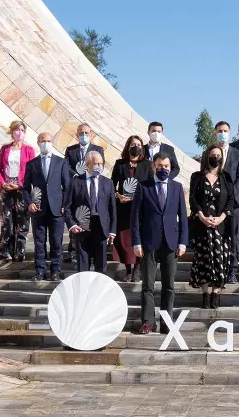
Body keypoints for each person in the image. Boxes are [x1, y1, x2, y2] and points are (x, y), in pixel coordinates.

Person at [131, 152, 188, 335]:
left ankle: (166, 322)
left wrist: (183, 242)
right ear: (153, 167)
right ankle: (148, 321)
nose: (163, 169)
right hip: (148, 242)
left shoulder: (177, 188)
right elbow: (135, 218)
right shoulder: (143, 187)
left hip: (171, 243)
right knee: (148, 285)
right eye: (160, 166)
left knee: (168, 285)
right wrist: (136, 242)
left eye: (167, 167)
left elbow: (183, 217)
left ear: (171, 169)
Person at [188, 145, 234, 308]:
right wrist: (201, 216)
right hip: (202, 225)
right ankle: (205, 295)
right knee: (203, 260)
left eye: (218, 155)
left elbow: (230, 200)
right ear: (207, 156)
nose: (216, 158)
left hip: (220, 227)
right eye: (213, 155)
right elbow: (193, 199)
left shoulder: (226, 177)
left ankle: (215, 294)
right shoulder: (197, 176)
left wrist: (221, 217)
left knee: (219, 260)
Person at [22, 132, 69, 282]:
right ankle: (40, 271)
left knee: (56, 241)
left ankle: (55, 271)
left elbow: (67, 186)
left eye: (48, 141)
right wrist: (29, 203)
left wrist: (65, 205)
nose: (46, 143)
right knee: (39, 242)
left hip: (57, 210)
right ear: (38, 142)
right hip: (38, 210)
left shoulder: (61, 162)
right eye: (43, 141)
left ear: (52, 143)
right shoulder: (32, 164)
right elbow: (25, 188)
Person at [64, 151, 116, 274]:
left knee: (101, 266)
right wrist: (72, 225)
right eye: (96, 163)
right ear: (87, 165)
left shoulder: (108, 183)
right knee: (83, 265)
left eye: (101, 163)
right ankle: (83, 291)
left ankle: (99, 292)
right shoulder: (75, 182)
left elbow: (112, 208)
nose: (99, 166)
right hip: (82, 228)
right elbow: (67, 207)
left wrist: (112, 231)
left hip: (101, 227)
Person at [110, 135, 153, 282]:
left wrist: (138, 198)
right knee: (124, 240)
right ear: (128, 146)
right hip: (123, 208)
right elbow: (112, 184)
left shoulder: (147, 164)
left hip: (140, 209)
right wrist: (118, 196)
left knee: (138, 238)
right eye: (133, 144)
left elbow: (151, 186)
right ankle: (128, 269)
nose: (136, 147)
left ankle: (137, 270)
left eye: (139, 144)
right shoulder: (120, 164)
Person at [0, 120, 35, 262]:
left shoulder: (29, 150)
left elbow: (31, 171)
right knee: (7, 221)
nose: (19, 133)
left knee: (22, 221)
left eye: (22, 130)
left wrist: (20, 185)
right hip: (6, 187)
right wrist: (2, 183)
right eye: (17, 130)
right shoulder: (5, 149)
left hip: (21, 189)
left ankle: (20, 252)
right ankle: (5, 250)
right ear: (12, 132)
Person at [64, 123, 103, 264]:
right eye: (81, 133)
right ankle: (73, 251)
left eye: (86, 133)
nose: (84, 135)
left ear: (90, 134)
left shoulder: (97, 149)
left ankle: (90, 253)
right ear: (77, 135)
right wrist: (77, 176)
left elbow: (99, 165)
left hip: (92, 189)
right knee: (75, 220)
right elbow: (66, 166)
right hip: (77, 187)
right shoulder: (71, 150)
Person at [213, 121, 239, 284]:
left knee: (234, 237)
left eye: (225, 130)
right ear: (215, 133)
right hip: (216, 204)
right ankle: (219, 269)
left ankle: (232, 270)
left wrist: (230, 194)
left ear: (230, 132)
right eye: (220, 130)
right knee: (218, 237)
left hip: (234, 204)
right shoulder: (210, 153)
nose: (223, 133)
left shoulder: (236, 153)